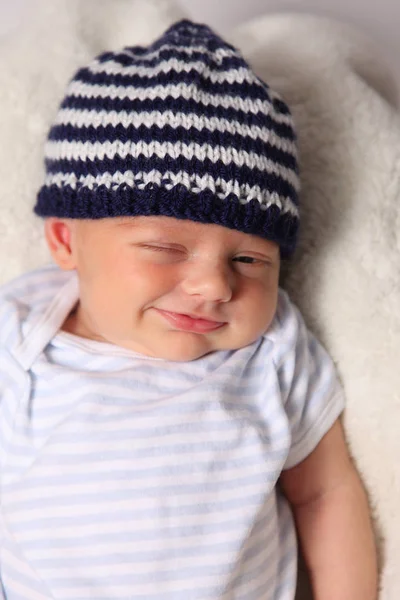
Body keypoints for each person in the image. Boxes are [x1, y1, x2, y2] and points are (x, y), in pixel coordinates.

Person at [0, 18, 377, 600]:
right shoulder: (20, 339)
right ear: (66, 241)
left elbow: (324, 493)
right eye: (164, 248)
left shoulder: (269, 352)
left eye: (251, 260)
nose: (212, 286)